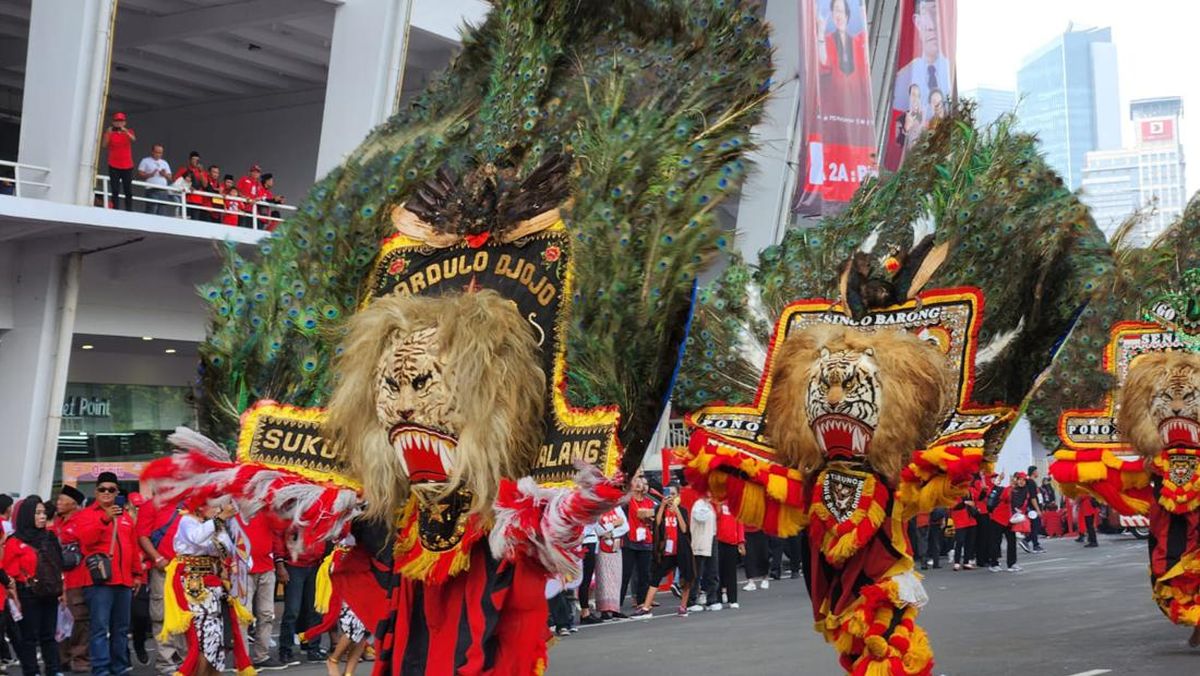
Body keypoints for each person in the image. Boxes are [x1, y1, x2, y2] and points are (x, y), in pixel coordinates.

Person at [165, 498, 254, 676]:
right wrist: (220, 519)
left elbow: (228, 549)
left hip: (215, 585)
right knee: (203, 639)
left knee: (218, 638)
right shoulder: (187, 521)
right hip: (195, 585)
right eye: (213, 505)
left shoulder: (213, 524)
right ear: (199, 506)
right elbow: (197, 538)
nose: (217, 509)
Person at [78, 472, 138, 676]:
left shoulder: (126, 518)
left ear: (117, 492)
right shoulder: (87, 514)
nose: (106, 493)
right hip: (99, 582)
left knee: (121, 630)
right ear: (96, 491)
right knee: (99, 628)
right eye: (102, 489)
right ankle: (101, 670)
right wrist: (105, 518)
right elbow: (86, 541)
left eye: (111, 489)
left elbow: (133, 546)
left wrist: (138, 575)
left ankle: (119, 668)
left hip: (124, 581)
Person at [8, 496, 63, 676]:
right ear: (26, 515)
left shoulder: (50, 537)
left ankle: (53, 670)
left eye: (43, 513)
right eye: (37, 513)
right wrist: (14, 596)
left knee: (49, 636)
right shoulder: (14, 541)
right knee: (29, 637)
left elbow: (59, 563)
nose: (42, 516)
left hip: (50, 592)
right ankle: (31, 671)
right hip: (27, 594)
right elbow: (9, 571)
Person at [137, 492, 185, 676]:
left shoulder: (188, 502)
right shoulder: (151, 506)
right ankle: (165, 663)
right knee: (161, 616)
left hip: (186, 571)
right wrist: (157, 558)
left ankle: (183, 660)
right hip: (163, 570)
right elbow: (142, 535)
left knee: (184, 616)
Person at [634, 484, 694, 617]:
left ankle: (683, 606)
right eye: (668, 494)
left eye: (673, 494)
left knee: (686, 577)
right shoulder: (661, 509)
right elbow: (658, 523)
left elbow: (684, 529)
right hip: (666, 551)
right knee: (656, 576)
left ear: (678, 496)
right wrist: (662, 506)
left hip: (681, 549)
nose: (670, 497)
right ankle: (646, 607)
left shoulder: (682, 510)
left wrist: (676, 510)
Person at [237, 511, 284, 670]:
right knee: (243, 616)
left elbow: (278, 533)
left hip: (266, 568)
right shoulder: (234, 510)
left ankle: (261, 655)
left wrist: (278, 562)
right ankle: (243, 658)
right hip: (242, 571)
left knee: (266, 613)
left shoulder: (268, 510)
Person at [276, 527, 329, 665]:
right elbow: (280, 537)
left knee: (315, 609)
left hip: (315, 564)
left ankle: (313, 648)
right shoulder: (292, 513)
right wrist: (280, 565)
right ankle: (285, 650)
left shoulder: (319, 513)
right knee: (292, 611)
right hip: (294, 565)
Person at [891, 0, 951, 122]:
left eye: (934, 12)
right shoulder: (903, 77)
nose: (931, 25)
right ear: (917, 22)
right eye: (925, 13)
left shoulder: (951, 75)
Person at [53, 485, 92, 673]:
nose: (58, 503)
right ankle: (62, 658)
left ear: (74, 503)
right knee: (60, 620)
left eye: (62, 500)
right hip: (56, 579)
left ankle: (80, 658)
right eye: (58, 500)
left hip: (77, 578)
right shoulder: (57, 522)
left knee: (79, 620)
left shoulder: (82, 520)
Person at [619, 474, 655, 611]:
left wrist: (649, 516)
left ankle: (642, 601)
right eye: (637, 481)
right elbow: (640, 514)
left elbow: (653, 516)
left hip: (645, 540)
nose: (640, 484)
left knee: (644, 574)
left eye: (643, 482)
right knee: (625, 573)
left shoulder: (649, 501)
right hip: (630, 540)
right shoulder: (627, 501)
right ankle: (618, 603)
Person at [591, 505, 628, 621]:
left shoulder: (616, 508)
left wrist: (611, 533)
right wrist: (614, 524)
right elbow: (598, 530)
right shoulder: (596, 509)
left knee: (616, 577)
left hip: (615, 545)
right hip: (602, 548)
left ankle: (615, 608)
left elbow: (626, 526)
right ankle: (604, 609)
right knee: (604, 578)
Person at [688, 495, 718, 611]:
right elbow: (700, 517)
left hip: (711, 539)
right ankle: (691, 601)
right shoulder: (698, 504)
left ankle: (712, 600)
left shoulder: (711, 505)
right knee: (696, 573)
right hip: (699, 542)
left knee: (712, 571)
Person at [101, 112, 136, 211]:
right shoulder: (110, 133)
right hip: (114, 164)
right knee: (115, 189)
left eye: (121, 121)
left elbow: (133, 139)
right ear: (113, 122)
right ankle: (115, 209)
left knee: (128, 190)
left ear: (124, 123)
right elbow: (104, 145)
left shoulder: (129, 131)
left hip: (127, 165)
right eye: (116, 121)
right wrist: (108, 133)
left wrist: (126, 132)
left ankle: (129, 209)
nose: (119, 123)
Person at [714, 499, 744, 610]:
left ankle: (733, 599)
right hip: (718, 541)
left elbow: (740, 523)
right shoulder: (716, 502)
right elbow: (715, 518)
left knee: (731, 572)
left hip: (732, 542)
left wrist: (741, 541)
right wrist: (718, 507)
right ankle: (718, 598)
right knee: (718, 571)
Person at [990, 474, 1023, 573]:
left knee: (1012, 541)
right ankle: (994, 563)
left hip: (1009, 520)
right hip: (998, 518)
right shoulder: (1006, 489)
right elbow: (1005, 497)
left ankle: (1012, 563)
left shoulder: (1019, 491)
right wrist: (1010, 486)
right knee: (996, 542)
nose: (1019, 482)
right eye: (1018, 480)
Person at [136, 144, 173, 216]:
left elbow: (170, 177)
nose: (158, 154)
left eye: (160, 153)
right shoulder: (145, 160)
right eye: (157, 152)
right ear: (152, 152)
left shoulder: (164, 162)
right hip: (151, 189)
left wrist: (164, 174)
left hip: (163, 190)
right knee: (152, 209)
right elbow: (139, 175)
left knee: (162, 211)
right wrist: (150, 175)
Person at [174, 151, 210, 219]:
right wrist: (188, 186)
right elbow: (175, 180)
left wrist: (201, 172)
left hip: (198, 200)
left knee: (195, 223)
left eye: (197, 160)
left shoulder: (202, 172)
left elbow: (205, 185)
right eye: (194, 159)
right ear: (190, 160)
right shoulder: (184, 169)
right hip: (186, 199)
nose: (195, 161)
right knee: (185, 221)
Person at [949, 494, 977, 571]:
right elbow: (953, 505)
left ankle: (966, 561)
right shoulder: (954, 492)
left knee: (969, 542)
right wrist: (966, 503)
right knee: (959, 541)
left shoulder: (969, 491)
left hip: (971, 519)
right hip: (960, 520)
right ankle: (957, 562)